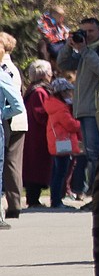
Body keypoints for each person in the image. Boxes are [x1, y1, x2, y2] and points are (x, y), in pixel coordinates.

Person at [58, 16, 99, 201]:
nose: (87, 35)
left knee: (96, 155)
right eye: (83, 32)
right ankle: (96, 196)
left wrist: (85, 50)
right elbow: (64, 64)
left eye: (91, 31)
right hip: (84, 109)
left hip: (96, 109)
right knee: (90, 155)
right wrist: (69, 45)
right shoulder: (84, 50)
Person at [43, 78, 81, 210]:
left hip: (57, 143)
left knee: (56, 172)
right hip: (63, 144)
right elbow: (71, 125)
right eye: (67, 91)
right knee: (60, 173)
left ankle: (55, 199)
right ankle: (57, 201)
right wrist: (81, 123)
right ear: (61, 93)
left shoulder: (53, 105)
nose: (70, 94)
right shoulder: (61, 108)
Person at [1, 32, 26, 220]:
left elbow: (14, 97)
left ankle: (14, 204)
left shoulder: (6, 67)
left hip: (12, 121)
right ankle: (13, 202)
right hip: (12, 118)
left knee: (11, 162)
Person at [21, 60, 54, 210]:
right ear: (45, 74)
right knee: (36, 168)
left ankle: (34, 198)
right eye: (50, 72)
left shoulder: (34, 90)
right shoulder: (39, 92)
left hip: (35, 135)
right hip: (38, 137)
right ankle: (33, 199)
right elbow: (41, 114)